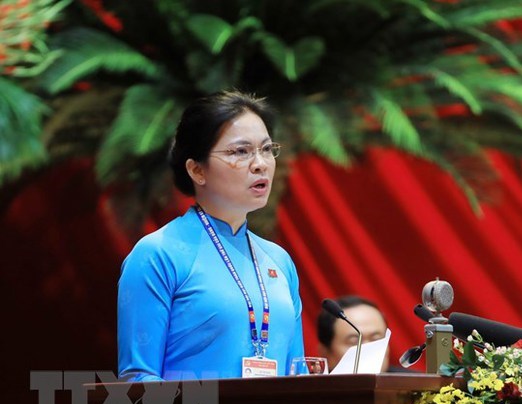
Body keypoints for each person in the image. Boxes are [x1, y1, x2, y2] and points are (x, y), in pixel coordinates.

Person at [117, 90, 304, 381]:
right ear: (196, 170)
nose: (261, 163)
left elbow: (298, 374)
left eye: (267, 149)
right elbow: (138, 379)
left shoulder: (279, 261)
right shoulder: (157, 254)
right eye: (240, 152)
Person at [317, 295, 397, 373]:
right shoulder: (311, 386)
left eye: (376, 340)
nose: (368, 350)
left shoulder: (407, 384)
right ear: (325, 353)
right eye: (354, 342)